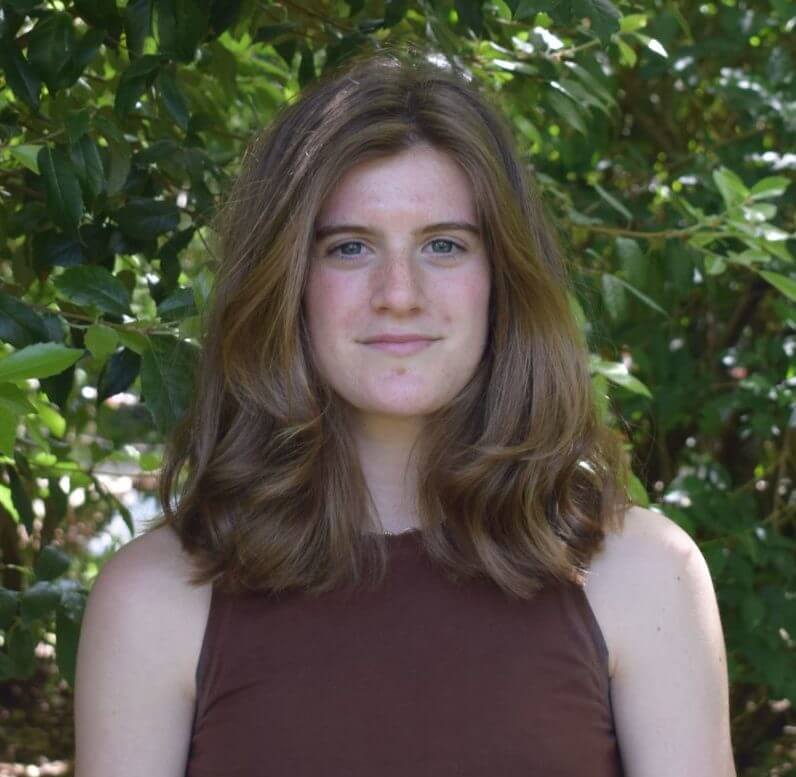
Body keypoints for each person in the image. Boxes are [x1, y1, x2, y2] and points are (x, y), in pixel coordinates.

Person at [73, 48, 737, 776]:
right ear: (286, 282)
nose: (399, 292)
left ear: (503, 280)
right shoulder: (154, 600)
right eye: (350, 247)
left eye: (444, 245)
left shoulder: (644, 575)